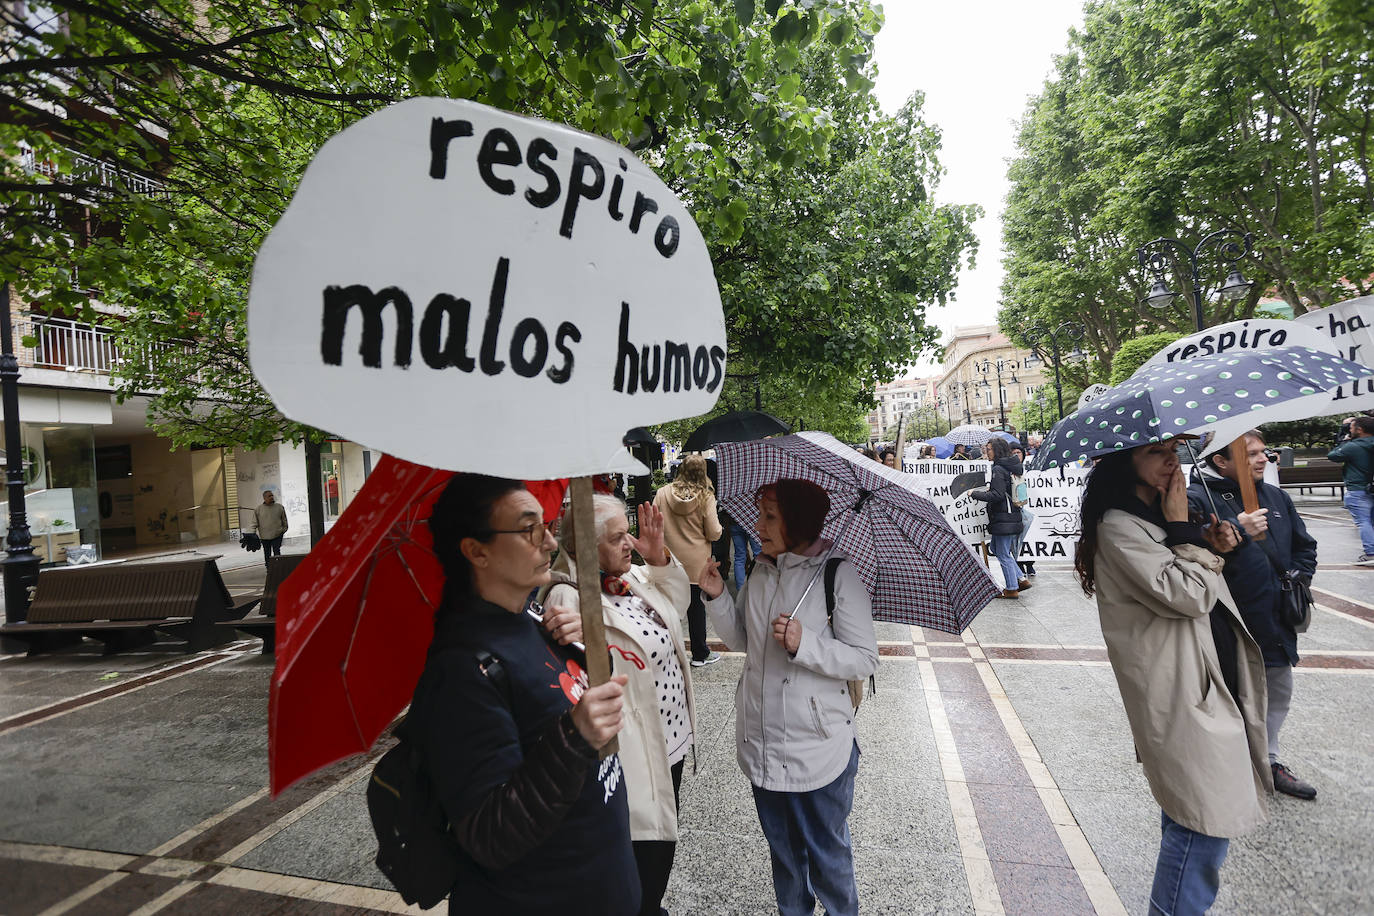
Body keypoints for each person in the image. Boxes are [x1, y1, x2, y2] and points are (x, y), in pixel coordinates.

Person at [411, 474, 639, 915]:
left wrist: (587, 652)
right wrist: (574, 738)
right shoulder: (462, 670)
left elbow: (575, 695)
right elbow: (489, 834)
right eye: (529, 529)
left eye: (546, 526)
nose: (550, 542)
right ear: (476, 551)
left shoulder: (534, 619)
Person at [1076, 441, 1269, 916]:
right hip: (1179, 691)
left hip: (1203, 678)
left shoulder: (1152, 518)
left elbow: (1194, 581)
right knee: (1201, 825)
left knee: (1190, 810)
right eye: (1156, 453)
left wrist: (1211, 543)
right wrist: (1186, 531)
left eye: (1173, 453)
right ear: (1126, 462)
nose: (1172, 463)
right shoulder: (1120, 527)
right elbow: (1186, 595)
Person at [700, 478, 878, 916]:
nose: (757, 525)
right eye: (760, 513)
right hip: (762, 741)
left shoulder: (837, 572)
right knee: (785, 859)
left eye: (769, 516)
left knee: (827, 858)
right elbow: (743, 638)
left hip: (819, 748)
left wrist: (806, 645)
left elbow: (863, 659)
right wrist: (717, 594)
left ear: (796, 520)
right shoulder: (762, 569)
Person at [541, 496, 696, 916]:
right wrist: (583, 639)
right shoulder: (568, 598)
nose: (629, 541)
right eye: (617, 537)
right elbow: (567, 686)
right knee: (642, 856)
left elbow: (678, 603)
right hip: (631, 756)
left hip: (670, 745)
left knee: (661, 840)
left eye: (628, 530)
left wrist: (659, 554)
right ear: (583, 549)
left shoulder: (630, 577)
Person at [1189, 430, 1319, 800]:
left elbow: (1304, 546)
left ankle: (1269, 759)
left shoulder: (1275, 496)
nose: (1263, 459)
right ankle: (1233, 763)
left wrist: (1299, 577)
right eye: (1251, 455)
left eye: (1265, 452)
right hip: (1232, 619)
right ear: (1220, 461)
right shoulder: (1198, 497)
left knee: (1279, 688)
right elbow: (1191, 552)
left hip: (1277, 614)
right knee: (1235, 692)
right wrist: (1237, 532)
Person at [654, 455, 724, 666]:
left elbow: (655, 524)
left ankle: (666, 652)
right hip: (696, 564)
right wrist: (720, 529)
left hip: (669, 559)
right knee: (696, 609)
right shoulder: (706, 497)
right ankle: (700, 654)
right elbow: (713, 532)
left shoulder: (662, 493)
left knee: (667, 607)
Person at [969, 438, 1027, 598]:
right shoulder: (1009, 465)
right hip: (1010, 515)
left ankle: (1011, 588)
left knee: (1001, 553)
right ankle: (1021, 579)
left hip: (1003, 517)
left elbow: (997, 495)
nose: (986, 453)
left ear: (997, 450)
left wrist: (974, 493)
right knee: (995, 548)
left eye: (989, 449)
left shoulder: (999, 469)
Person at [1327, 415, 1374, 565]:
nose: (1350, 430)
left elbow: (1333, 455)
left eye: (1351, 427)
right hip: (1371, 487)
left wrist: (1344, 439)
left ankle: (1371, 553)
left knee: (1363, 522)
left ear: (1359, 430)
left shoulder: (1353, 446)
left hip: (1358, 489)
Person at [1009, 445, 1036, 579]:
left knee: (1029, 538)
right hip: (1016, 510)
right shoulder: (1008, 471)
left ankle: (1030, 564)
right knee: (1017, 538)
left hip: (1030, 509)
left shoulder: (1031, 470)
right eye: (1013, 453)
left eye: (1018, 452)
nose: (1016, 455)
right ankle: (1019, 563)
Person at [253, 490, 288, 569]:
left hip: (277, 534)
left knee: (277, 551)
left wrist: (283, 530)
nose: (271, 497)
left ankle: (278, 567)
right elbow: (254, 523)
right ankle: (269, 568)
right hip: (264, 536)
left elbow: (284, 520)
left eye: (272, 495)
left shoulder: (279, 507)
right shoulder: (258, 509)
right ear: (264, 498)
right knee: (267, 553)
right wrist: (251, 533)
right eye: (269, 496)